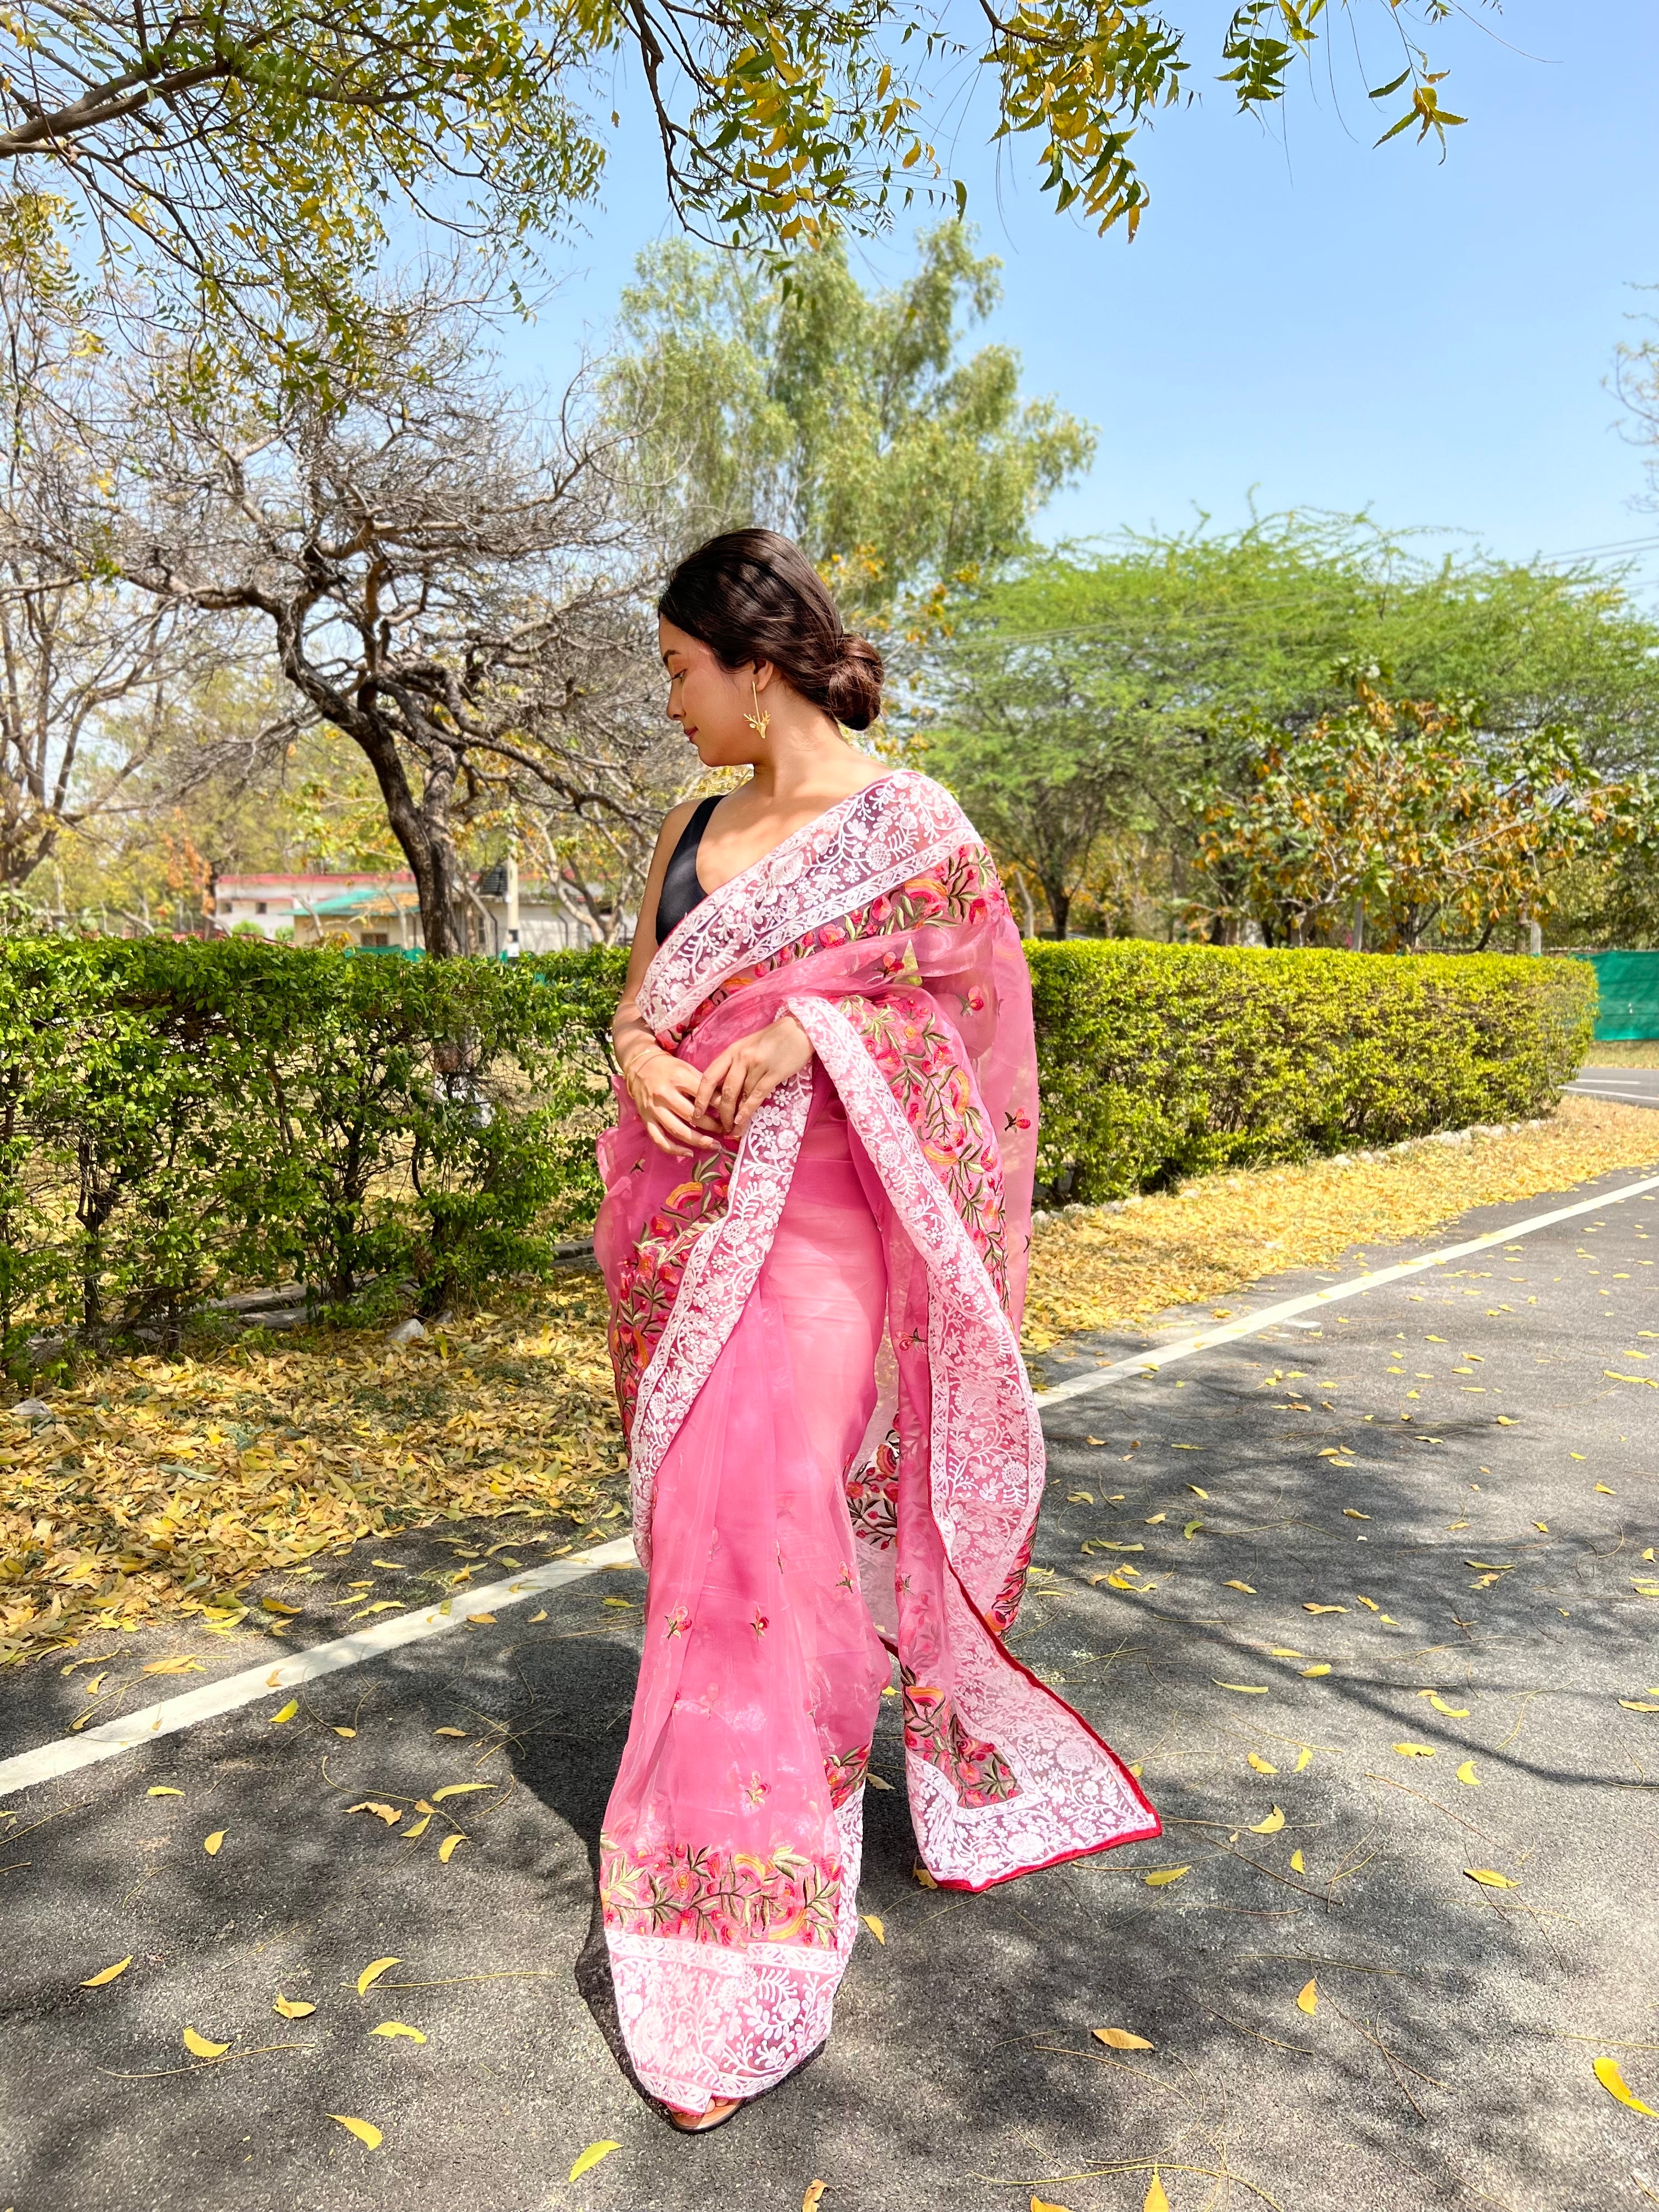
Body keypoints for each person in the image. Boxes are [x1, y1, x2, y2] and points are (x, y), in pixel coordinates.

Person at [594, 528, 1158, 2132]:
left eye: (682, 671)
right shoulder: (690, 828)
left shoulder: (915, 833)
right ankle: (774, 1779)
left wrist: (820, 1033)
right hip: (680, 1232)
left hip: (828, 1236)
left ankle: (743, 1889)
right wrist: (640, 1058)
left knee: (771, 1525)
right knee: (705, 1534)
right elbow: (638, 1006)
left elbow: (976, 1040)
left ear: (757, 665)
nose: (675, 704)